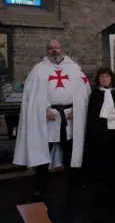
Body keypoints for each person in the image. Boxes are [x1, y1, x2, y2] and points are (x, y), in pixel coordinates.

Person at [13, 39, 91, 200]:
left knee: (71, 151)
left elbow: (84, 91)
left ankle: (74, 182)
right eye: (51, 48)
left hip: (69, 118)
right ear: (47, 50)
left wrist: (77, 109)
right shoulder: (38, 70)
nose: (54, 51)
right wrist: (43, 110)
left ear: (61, 48)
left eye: (57, 47)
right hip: (48, 119)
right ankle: (40, 187)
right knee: (43, 152)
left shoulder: (74, 68)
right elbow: (31, 96)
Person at [83, 68, 115, 186]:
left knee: (114, 151)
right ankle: (100, 177)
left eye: (107, 76)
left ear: (111, 78)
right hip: (100, 128)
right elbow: (92, 114)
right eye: (102, 77)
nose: (104, 79)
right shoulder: (95, 94)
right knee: (101, 152)